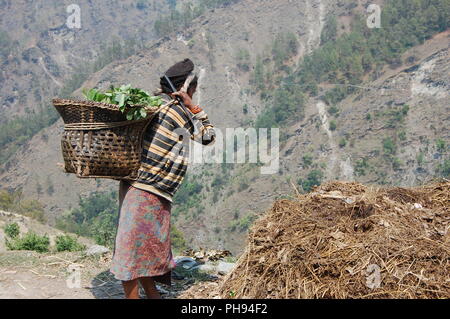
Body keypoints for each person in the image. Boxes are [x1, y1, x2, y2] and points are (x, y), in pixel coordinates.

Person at [110, 58, 215, 299]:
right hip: (148, 191)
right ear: (185, 91)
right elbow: (209, 137)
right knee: (134, 249)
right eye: (193, 91)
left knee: (142, 246)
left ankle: (152, 294)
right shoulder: (178, 113)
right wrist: (194, 108)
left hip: (137, 187)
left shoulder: (158, 109)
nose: (194, 94)